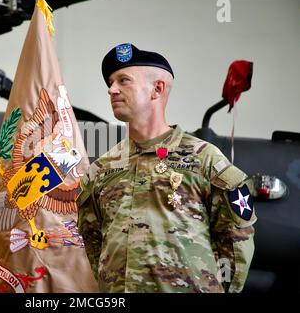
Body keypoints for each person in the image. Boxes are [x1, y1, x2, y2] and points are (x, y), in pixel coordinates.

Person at [77, 43, 257, 293]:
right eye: (110, 82)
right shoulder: (101, 170)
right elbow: (94, 243)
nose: (112, 89)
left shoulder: (205, 160)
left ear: (157, 89)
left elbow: (236, 240)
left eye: (123, 80)